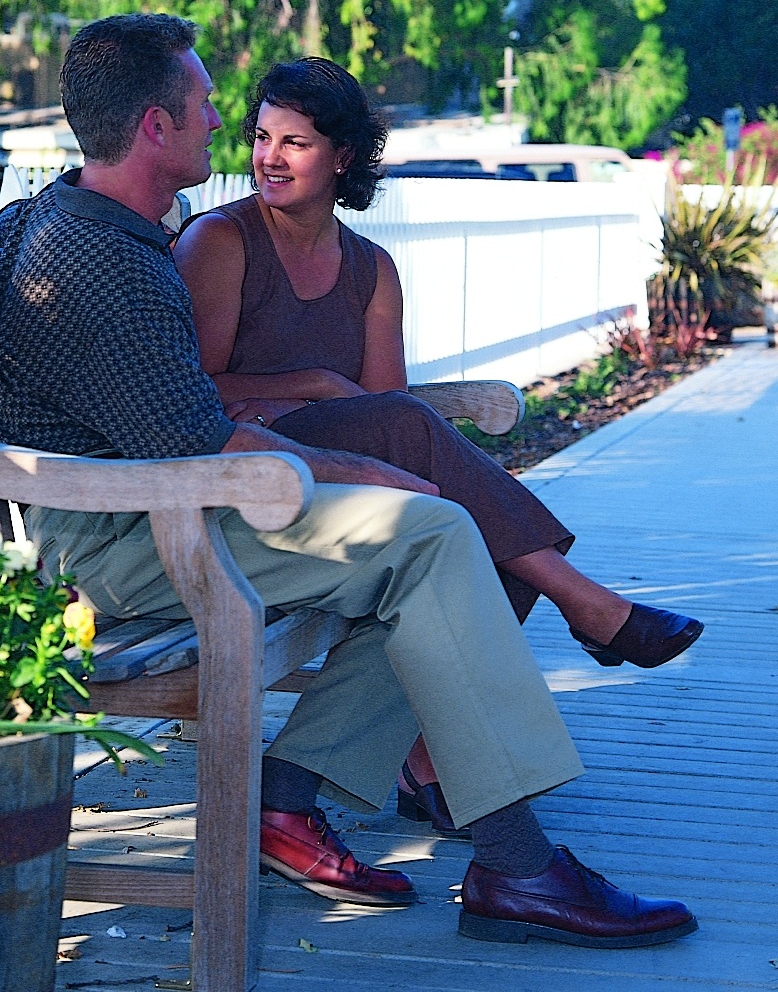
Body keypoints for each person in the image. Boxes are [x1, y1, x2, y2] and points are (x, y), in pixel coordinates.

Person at [0, 13, 697, 947]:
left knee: (433, 540)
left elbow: (178, 426)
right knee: (435, 537)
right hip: (122, 538)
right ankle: (517, 867)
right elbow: (196, 442)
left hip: (163, 507)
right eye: (206, 106)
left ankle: (298, 802)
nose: (222, 125)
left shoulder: (94, 226)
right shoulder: (103, 259)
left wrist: (362, 460)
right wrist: (358, 466)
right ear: (156, 125)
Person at [173, 57, 703, 834]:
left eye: (294, 142)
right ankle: (582, 607)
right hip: (248, 474)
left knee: (480, 539)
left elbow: (382, 407)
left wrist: (316, 397)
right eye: (261, 137)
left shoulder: (370, 268)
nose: (268, 157)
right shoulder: (221, 241)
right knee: (471, 510)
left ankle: (423, 757)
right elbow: (191, 394)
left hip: (341, 480)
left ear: (342, 157)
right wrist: (315, 382)